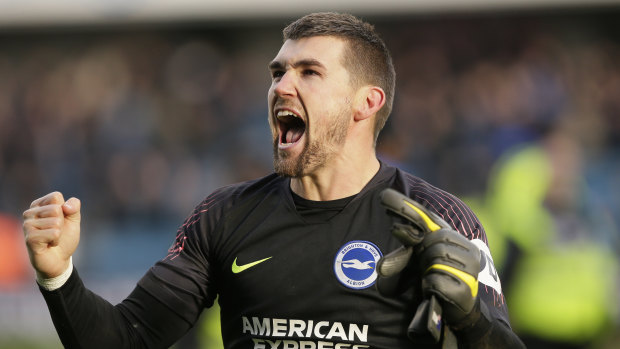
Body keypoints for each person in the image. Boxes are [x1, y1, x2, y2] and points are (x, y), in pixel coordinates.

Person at [22, 12, 525, 349]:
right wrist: (56, 274)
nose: (281, 86)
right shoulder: (224, 216)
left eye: (309, 72)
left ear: (366, 102)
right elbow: (124, 338)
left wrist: (474, 318)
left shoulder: (441, 220)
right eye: (277, 72)